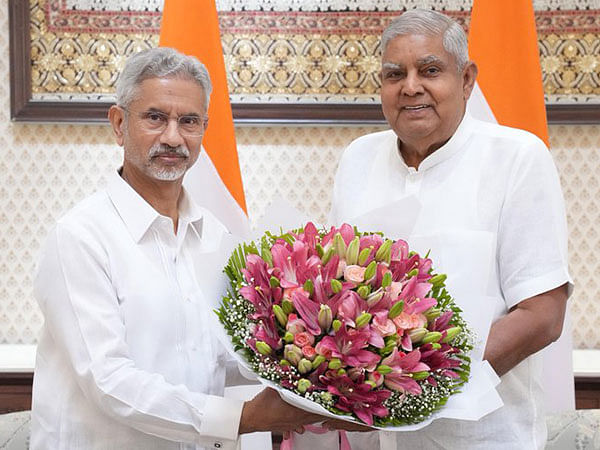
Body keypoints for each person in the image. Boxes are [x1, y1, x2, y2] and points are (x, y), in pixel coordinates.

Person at [30, 47, 324, 450]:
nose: (173, 137)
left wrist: (316, 359)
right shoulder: (80, 237)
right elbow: (108, 381)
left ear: (204, 128)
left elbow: (223, 355)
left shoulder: (216, 236)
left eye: (188, 121)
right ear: (119, 124)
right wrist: (244, 417)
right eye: (155, 117)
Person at [329, 9, 572, 450]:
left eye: (430, 70)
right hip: (370, 438)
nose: (410, 87)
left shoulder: (517, 158)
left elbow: (542, 315)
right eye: (393, 74)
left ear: (466, 80)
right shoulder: (357, 160)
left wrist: (423, 386)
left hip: (483, 439)